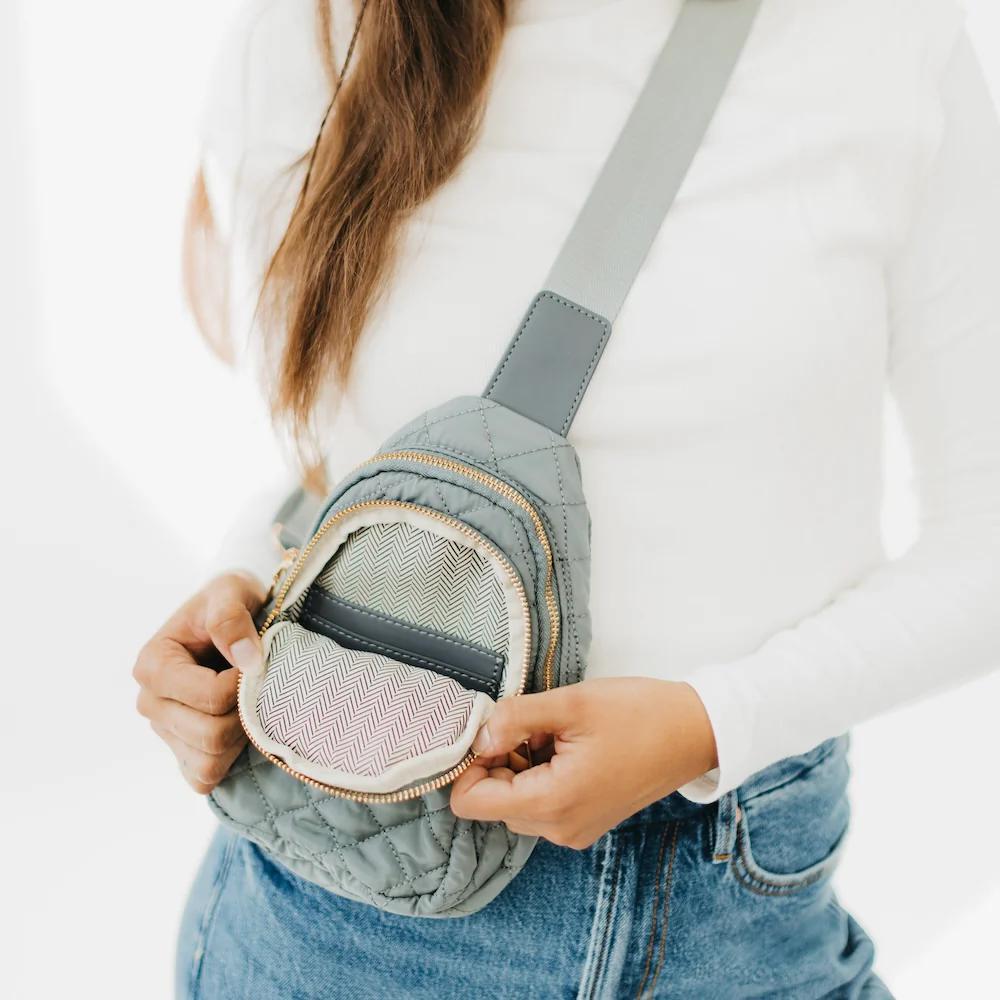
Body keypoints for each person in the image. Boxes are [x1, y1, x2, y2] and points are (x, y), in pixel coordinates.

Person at [132, 1, 1000, 996]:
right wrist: (231, 614)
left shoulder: (884, 40)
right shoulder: (315, 35)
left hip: (739, 911)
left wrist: (709, 723)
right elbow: (329, 469)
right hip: (342, 908)